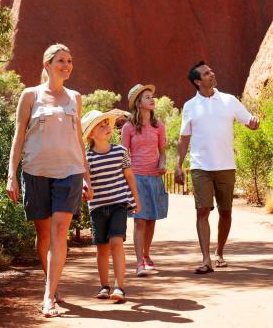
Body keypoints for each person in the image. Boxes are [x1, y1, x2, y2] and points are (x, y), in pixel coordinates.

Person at [6, 44, 93, 317]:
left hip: (69, 171)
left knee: (59, 231)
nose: (66, 65)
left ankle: (48, 296)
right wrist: (12, 174)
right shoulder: (30, 96)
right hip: (35, 171)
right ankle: (51, 283)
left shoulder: (75, 97)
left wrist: (86, 175)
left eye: (69, 60)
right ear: (47, 64)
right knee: (43, 235)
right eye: (60, 61)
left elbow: (78, 137)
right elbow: (18, 137)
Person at [174, 61, 259, 274]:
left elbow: (248, 120)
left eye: (211, 71)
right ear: (197, 81)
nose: (212, 74)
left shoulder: (229, 101)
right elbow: (184, 138)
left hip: (226, 165)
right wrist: (178, 166)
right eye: (206, 73)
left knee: (226, 212)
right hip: (200, 166)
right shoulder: (190, 106)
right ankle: (205, 259)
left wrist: (254, 123)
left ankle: (219, 252)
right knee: (202, 211)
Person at [82, 109, 140, 302]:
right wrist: (84, 187)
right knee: (102, 248)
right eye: (102, 125)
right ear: (91, 134)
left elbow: (129, 177)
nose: (108, 127)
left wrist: (136, 200)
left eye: (108, 124)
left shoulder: (120, 152)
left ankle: (119, 287)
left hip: (118, 204)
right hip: (97, 207)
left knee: (116, 242)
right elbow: (84, 180)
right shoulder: (86, 158)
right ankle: (104, 286)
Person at [121, 84, 168, 277]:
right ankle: (139, 262)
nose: (152, 99)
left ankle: (147, 255)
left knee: (151, 220)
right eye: (147, 97)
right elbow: (124, 155)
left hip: (154, 178)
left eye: (152, 96)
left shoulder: (159, 126)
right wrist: (125, 177)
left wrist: (163, 164)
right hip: (136, 178)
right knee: (139, 220)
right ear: (138, 103)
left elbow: (163, 152)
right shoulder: (128, 127)